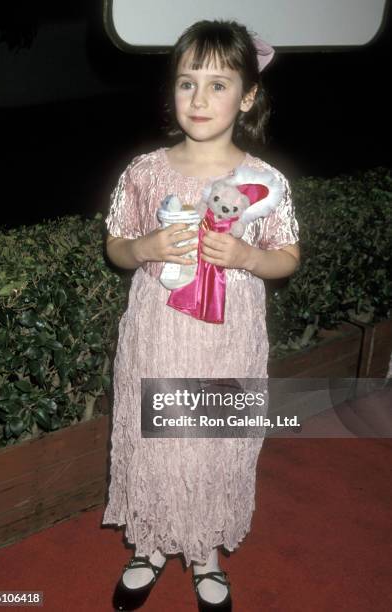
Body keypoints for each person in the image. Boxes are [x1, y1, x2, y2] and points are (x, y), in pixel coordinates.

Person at [102, 19, 300, 612]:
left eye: (219, 84)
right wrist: (145, 248)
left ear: (248, 95)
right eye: (188, 83)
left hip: (227, 342)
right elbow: (117, 242)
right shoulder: (144, 171)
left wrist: (247, 256)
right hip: (157, 336)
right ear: (172, 92)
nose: (200, 98)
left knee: (213, 439)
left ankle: (206, 551)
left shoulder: (265, 182)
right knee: (154, 437)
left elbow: (287, 256)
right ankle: (150, 545)